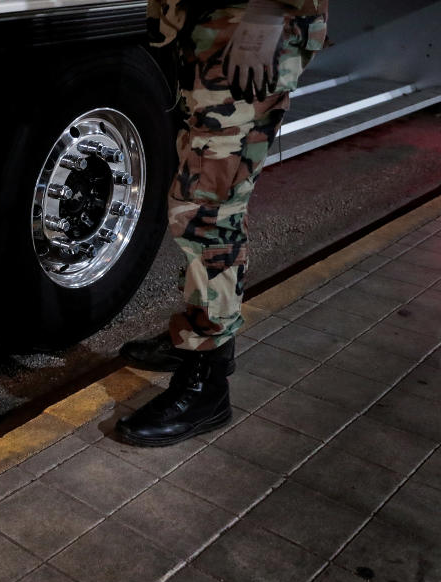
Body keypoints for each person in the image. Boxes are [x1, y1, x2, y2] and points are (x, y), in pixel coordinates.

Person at [117, 0, 328, 446]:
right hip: (206, 25)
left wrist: (267, 14)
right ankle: (202, 335)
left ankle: (206, 382)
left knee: (206, 210)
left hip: (244, 24)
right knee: (208, 198)